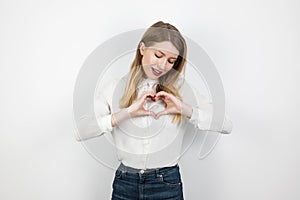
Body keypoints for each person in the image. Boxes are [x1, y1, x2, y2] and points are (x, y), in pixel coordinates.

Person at [76, 21, 232, 200]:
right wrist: (126, 113)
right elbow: (81, 131)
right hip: (125, 184)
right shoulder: (114, 87)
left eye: (171, 61)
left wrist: (185, 109)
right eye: (158, 55)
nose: (163, 65)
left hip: (166, 184)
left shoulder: (181, 89)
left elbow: (226, 124)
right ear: (142, 48)